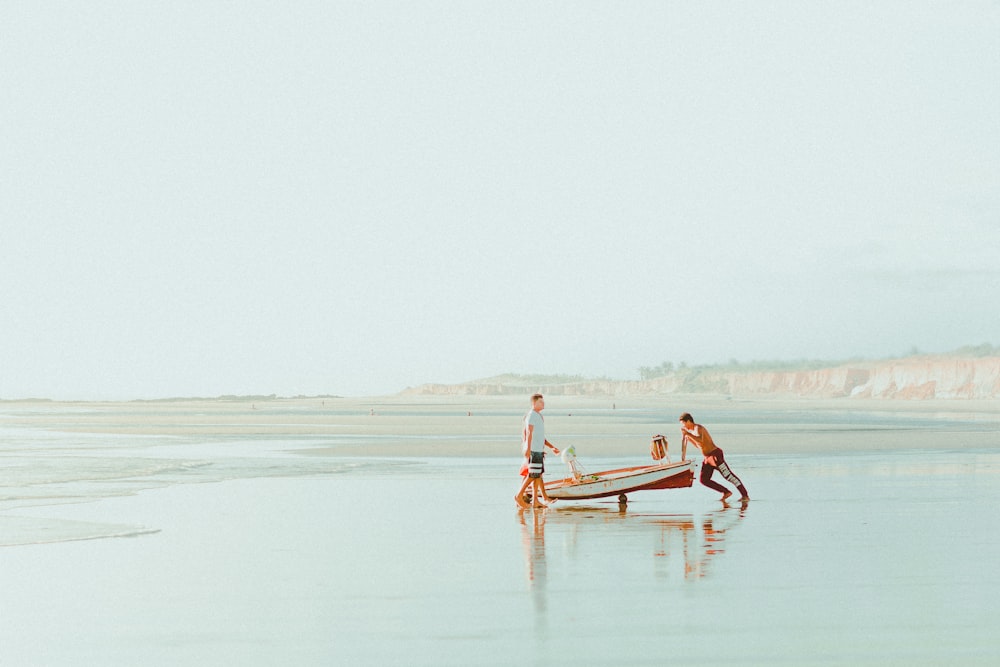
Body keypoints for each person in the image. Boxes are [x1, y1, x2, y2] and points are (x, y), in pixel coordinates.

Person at [679, 412, 749, 503]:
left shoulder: (698, 428)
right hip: (707, 458)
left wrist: (688, 434)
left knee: (728, 476)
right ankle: (726, 492)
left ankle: (745, 495)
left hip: (715, 455)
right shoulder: (691, 432)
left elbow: (700, 440)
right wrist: (686, 438)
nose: (683, 426)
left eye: (683, 423)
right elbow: (699, 445)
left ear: (688, 421)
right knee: (704, 480)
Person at [515, 394, 560, 508]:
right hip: (533, 450)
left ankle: (535, 501)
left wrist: (551, 447)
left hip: (538, 450)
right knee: (532, 475)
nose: (543, 404)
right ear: (534, 403)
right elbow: (528, 433)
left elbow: (540, 437)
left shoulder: (539, 416)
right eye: (540, 402)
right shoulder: (531, 416)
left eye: (543, 402)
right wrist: (528, 448)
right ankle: (519, 495)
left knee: (538, 475)